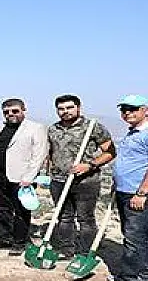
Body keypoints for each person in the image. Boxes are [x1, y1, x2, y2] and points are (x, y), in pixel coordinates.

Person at [47, 95, 115, 260]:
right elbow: (51, 152)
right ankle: (67, 250)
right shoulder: (53, 129)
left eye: (69, 107)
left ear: (78, 107)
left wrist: (89, 165)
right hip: (59, 180)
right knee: (63, 217)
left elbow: (110, 152)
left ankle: (85, 252)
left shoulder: (92, 127)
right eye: (61, 109)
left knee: (85, 219)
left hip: (86, 181)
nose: (65, 112)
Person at [0, 98, 48, 255]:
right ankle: (4, 238)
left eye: (14, 111)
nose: (10, 114)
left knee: (21, 211)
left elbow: (39, 154)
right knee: (2, 208)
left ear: (23, 110)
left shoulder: (35, 128)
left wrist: (29, 176)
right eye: (6, 112)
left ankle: (19, 241)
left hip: (22, 177)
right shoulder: (0, 126)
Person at [105, 94, 148, 281]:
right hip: (125, 191)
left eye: (132, 109)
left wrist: (142, 192)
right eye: (124, 110)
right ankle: (143, 273)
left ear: (145, 110)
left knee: (133, 237)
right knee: (138, 236)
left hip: (137, 193)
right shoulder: (133, 133)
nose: (127, 113)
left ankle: (127, 280)